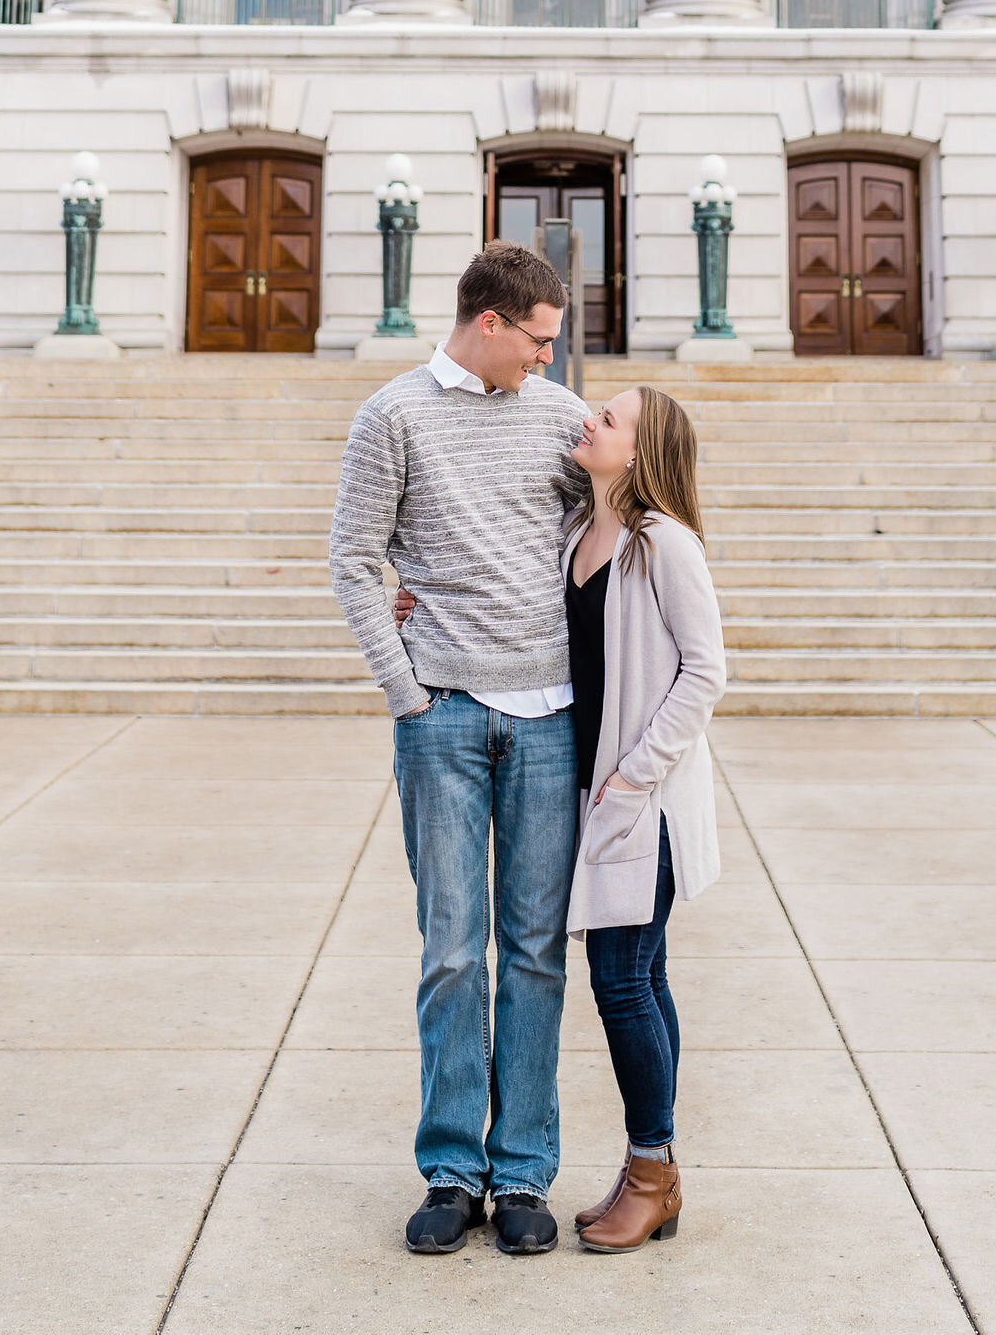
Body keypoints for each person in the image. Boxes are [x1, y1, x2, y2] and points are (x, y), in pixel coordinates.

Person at [328, 241, 588, 1258]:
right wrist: (405, 693)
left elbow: (602, 543)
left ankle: (521, 1172)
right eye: (537, 341)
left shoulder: (564, 421)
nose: (548, 361)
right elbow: (354, 562)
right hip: (440, 715)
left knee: (531, 955)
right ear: (490, 325)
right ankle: (450, 1169)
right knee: (449, 955)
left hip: (549, 719)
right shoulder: (391, 416)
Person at [563, 385, 726, 1253]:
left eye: (610, 419)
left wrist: (634, 776)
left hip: (643, 803)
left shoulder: (664, 543)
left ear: (641, 452)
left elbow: (705, 671)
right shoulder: (582, 536)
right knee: (640, 974)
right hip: (596, 792)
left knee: (622, 980)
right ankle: (645, 1174)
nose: (590, 419)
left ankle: (653, 1173)